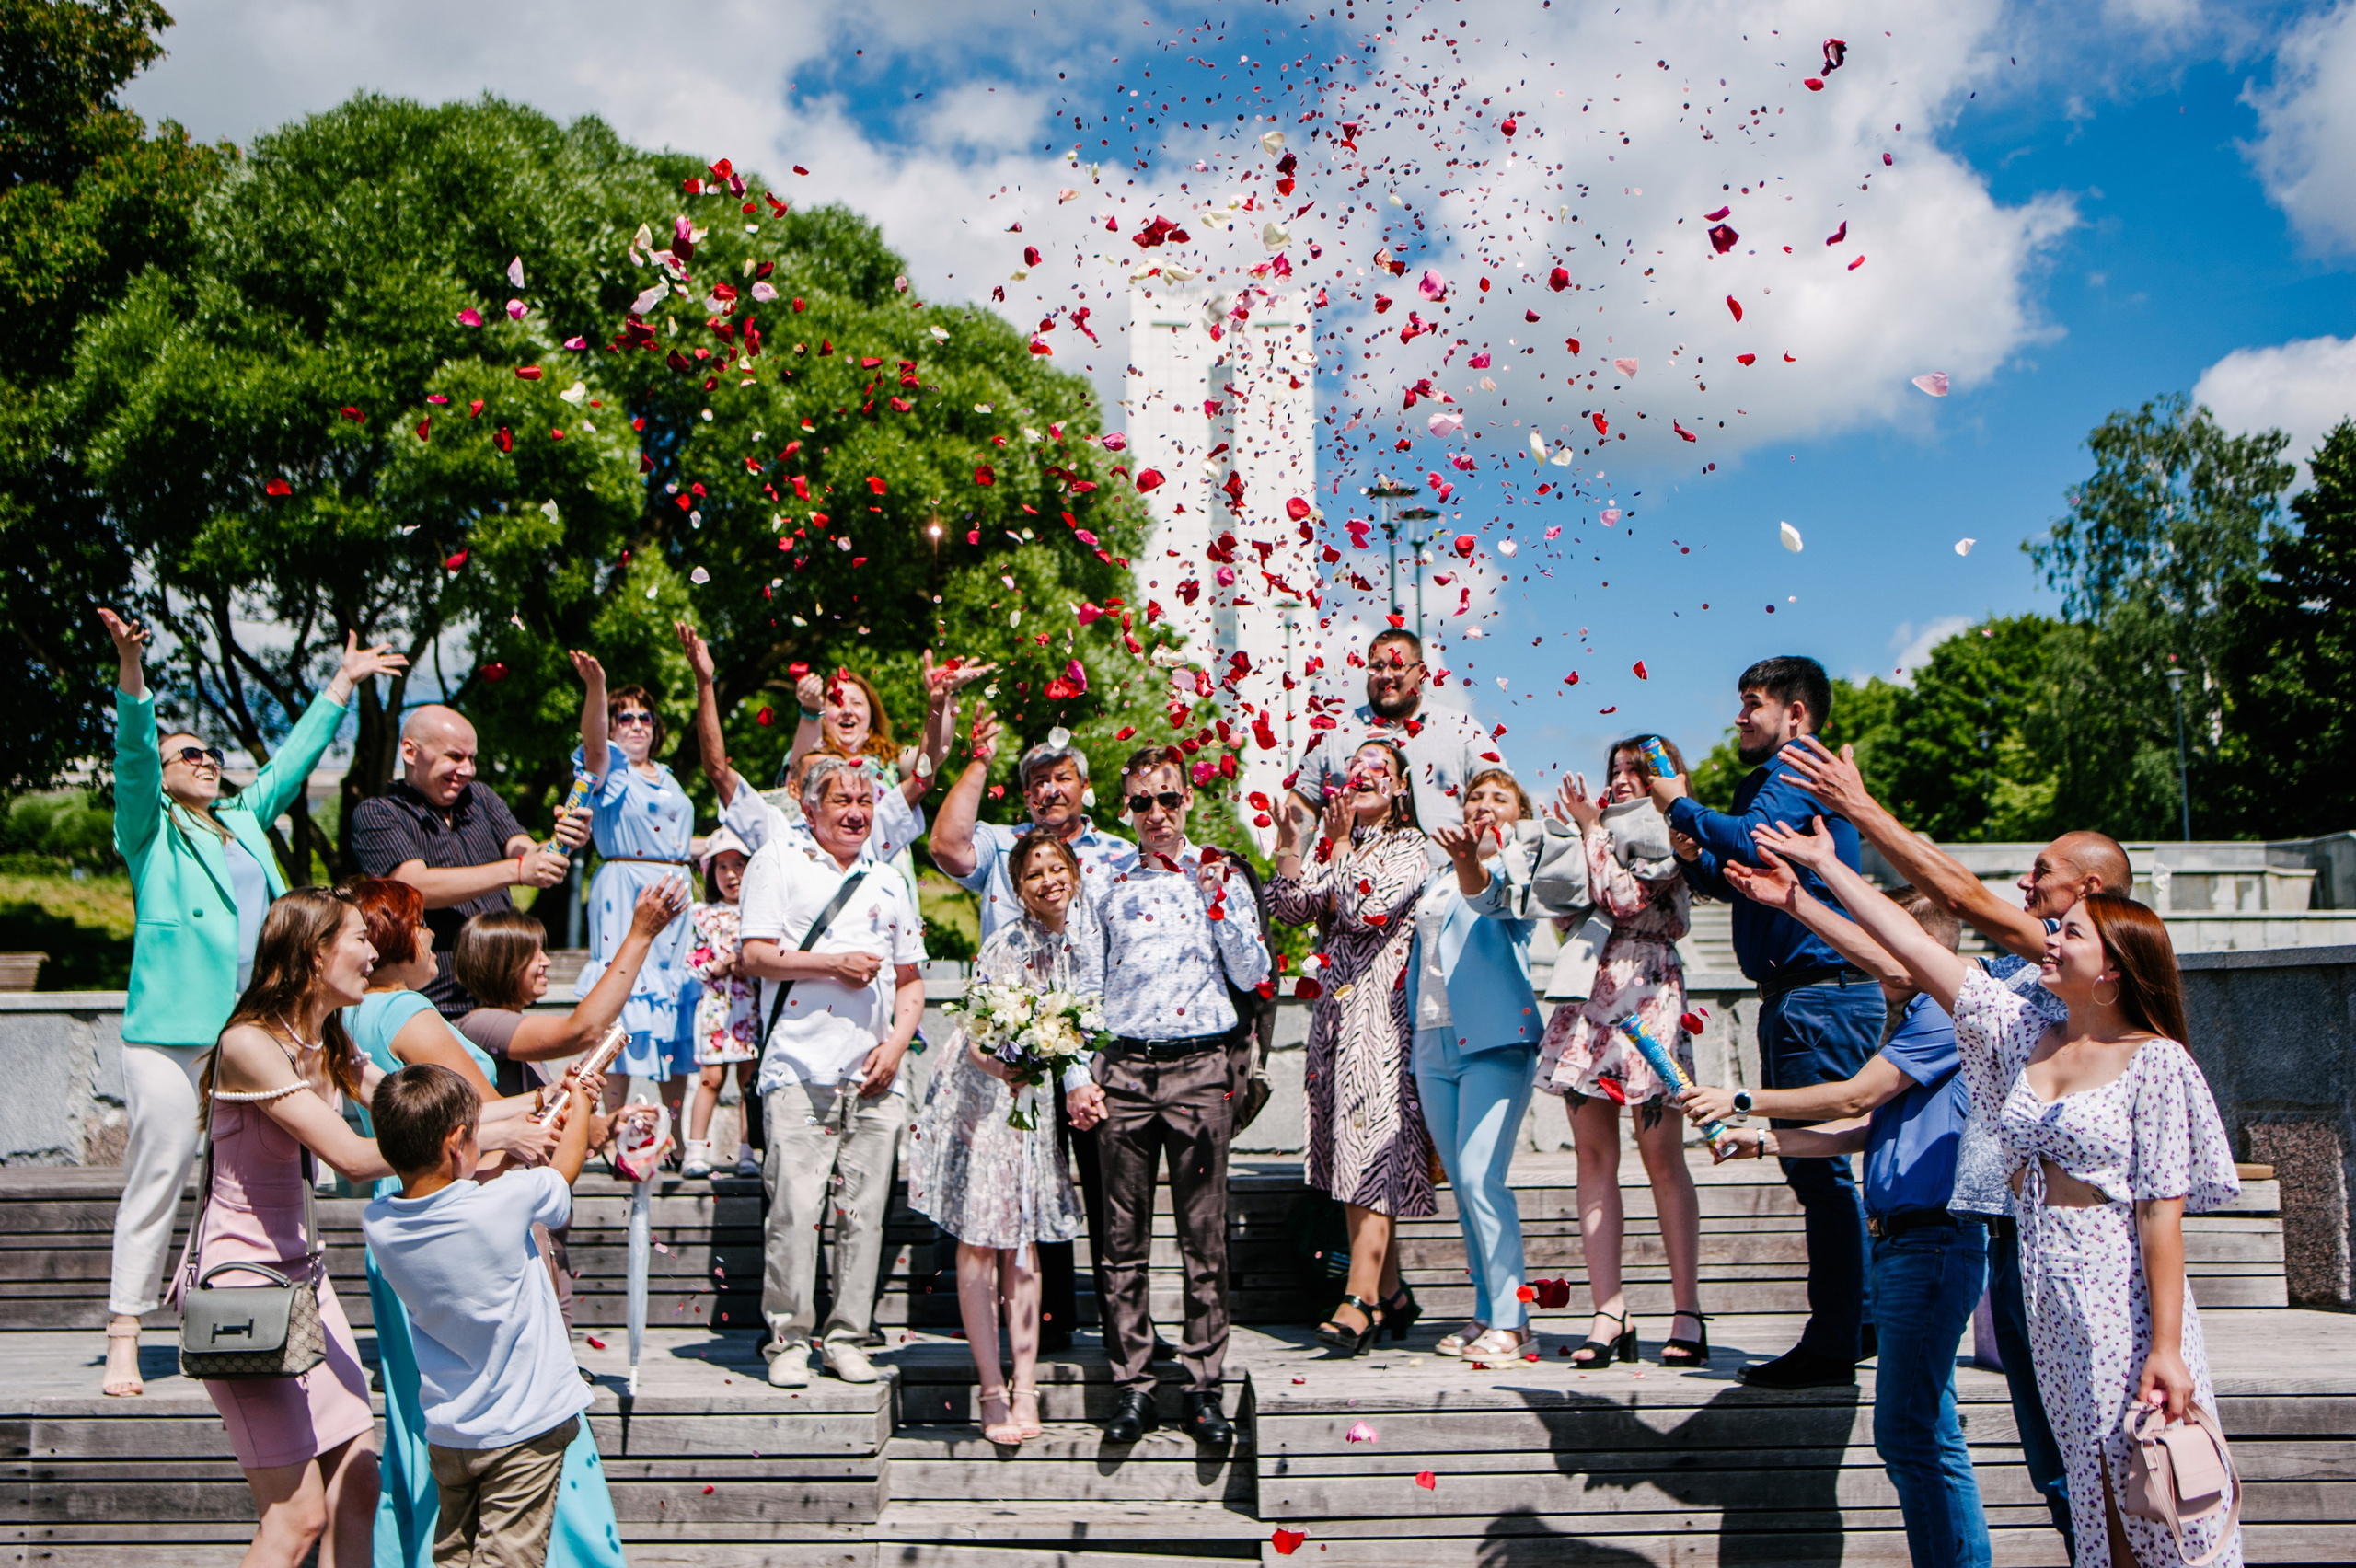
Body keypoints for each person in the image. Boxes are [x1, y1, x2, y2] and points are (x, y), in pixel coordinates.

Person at [1760, 821, 2244, 1568]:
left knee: (2150, 1486)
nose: (2049, 942)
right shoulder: (2023, 1033)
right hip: (2046, 1288)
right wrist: (1828, 869)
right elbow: (1915, 949)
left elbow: (2160, 1216)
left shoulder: (2157, 1063)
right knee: (2091, 1486)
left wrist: (2168, 1349)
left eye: (2070, 935)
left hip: (2119, 1292)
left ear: (2113, 970)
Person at [1774, 737, 2135, 1559]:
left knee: (2080, 1456)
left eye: (2041, 873)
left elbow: (1960, 900)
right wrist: (1808, 893)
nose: (2026, 884)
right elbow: (1907, 957)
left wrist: (1861, 811)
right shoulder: (2023, 982)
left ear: (2089, 891)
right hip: (2013, 1238)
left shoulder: (2094, 971)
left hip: (2068, 1248)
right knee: (2054, 1455)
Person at [95, 605, 404, 1401]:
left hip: (257, 1029)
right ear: (164, 773)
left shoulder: (240, 822)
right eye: (188, 754)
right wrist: (132, 670)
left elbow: (290, 764)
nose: (205, 761)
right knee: (162, 1168)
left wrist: (342, 683)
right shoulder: (150, 830)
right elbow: (133, 755)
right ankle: (125, 1333)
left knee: (277, 1171)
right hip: (171, 1036)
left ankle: (263, 1312)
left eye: (211, 753)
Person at [1684, 877, 1992, 1568]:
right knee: (1922, 1433)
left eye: (1875, 940)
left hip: (1933, 1243)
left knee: (1914, 1438)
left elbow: (1856, 1096)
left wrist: (1742, 1098)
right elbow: (1864, 1127)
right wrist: (1765, 1143)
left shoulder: (1947, 1014)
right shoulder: (1914, 1019)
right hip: (1909, 1245)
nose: (1859, 955)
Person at [341, 878, 624, 1568]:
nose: (431, 937)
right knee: (514, 1405)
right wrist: (581, 1108)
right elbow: (520, 1135)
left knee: (431, 1414)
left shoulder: (342, 1028)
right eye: (420, 925)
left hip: (414, 1224)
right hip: (475, 1222)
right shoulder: (406, 1009)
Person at [1648, 656, 1882, 1388]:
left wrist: (1679, 806)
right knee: (1814, 1167)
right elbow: (1746, 875)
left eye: (1752, 703)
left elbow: (1752, 840)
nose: (1739, 717)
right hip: (1802, 995)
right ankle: (1857, 1321)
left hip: (1819, 994)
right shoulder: (1772, 780)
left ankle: (1836, 1339)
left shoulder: (1799, 768)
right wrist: (1696, 860)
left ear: (1796, 714)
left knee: (1819, 1166)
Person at [183, 888, 395, 1568]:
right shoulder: (248, 1044)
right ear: (315, 953)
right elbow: (355, 1156)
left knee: (357, 1484)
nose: (374, 952)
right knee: (296, 1519)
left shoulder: (327, 1038)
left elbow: (410, 1108)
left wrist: (545, 1106)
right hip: (242, 1291)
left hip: (306, 1280)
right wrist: (473, 1142)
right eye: (360, 937)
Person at [930, 709, 1138, 1346]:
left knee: (1106, 1192)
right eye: (1039, 782)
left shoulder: (1121, 855)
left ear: (1084, 786)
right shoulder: (1005, 845)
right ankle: (1049, 1328)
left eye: (1062, 777)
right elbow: (946, 847)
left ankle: (1123, 1325)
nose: (1051, 789)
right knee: (1033, 1187)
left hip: (1099, 1051)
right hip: (1019, 1058)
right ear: (1026, 795)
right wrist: (979, 761)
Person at [1091, 745, 1269, 1447]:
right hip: (1125, 1071)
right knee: (1121, 1241)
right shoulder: (1108, 883)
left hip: (1198, 1068)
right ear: (1126, 809)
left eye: (1168, 798)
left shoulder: (1218, 872)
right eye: (1143, 801)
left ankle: (1202, 1388)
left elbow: (1252, 972)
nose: (1157, 814)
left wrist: (1220, 900)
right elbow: (1088, 980)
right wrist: (1083, 1073)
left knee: (1204, 1239)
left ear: (1188, 799)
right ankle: (1134, 1385)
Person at [362, 1061, 606, 1568]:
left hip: (451, 1430)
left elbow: (459, 1193)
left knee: (454, 1553)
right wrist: (581, 1105)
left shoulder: (380, 1222)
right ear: (457, 1144)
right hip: (523, 1426)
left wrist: (498, 1155)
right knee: (508, 1559)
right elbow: (561, 1177)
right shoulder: (507, 1201)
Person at [907, 834, 1107, 1447]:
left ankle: (1026, 1384)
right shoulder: (1007, 945)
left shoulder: (1087, 942)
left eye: (1057, 868)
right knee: (980, 1243)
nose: (1049, 880)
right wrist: (1007, 1068)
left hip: (1033, 1103)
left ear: (1074, 873)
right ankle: (990, 1387)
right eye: (1034, 873)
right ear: (1018, 889)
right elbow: (976, 1038)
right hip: (985, 1102)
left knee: (1023, 1245)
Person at [737, 755, 928, 1389]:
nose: (855, 813)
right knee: (795, 1210)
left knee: (864, 1214)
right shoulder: (778, 859)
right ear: (809, 808)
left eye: (865, 801)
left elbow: (911, 978)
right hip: (798, 1065)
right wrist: (832, 964)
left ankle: (848, 1337)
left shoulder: (889, 878)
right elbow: (755, 955)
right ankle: (788, 1340)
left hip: (876, 1073)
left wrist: (895, 1046)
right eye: (842, 801)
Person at [1536, 738, 1707, 1368]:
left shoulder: (1671, 832)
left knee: (1662, 1155)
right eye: (1617, 770)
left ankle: (1687, 1308)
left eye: (1639, 769)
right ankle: (1609, 1309)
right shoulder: (1598, 831)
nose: (1625, 779)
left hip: (1648, 993)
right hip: (1589, 993)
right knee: (1592, 1157)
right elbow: (1564, 913)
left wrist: (1591, 830)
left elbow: (1625, 898)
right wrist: (1573, 838)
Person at [1268, 738, 1435, 1355]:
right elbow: (1289, 906)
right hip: (1335, 1017)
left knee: (1368, 1149)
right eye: (1354, 765)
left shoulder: (1411, 847)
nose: (1362, 773)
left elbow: (1366, 908)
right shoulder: (1336, 843)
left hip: (1381, 1015)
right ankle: (1392, 1293)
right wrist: (1291, 841)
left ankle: (1360, 1298)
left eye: (1377, 766)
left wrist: (1337, 849)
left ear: (1399, 786)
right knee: (1346, 1151)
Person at [1415, 768, 1546, 1361]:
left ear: (1519, 814)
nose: (1484, 804)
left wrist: (1473, 860)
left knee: (1478, 1178)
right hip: (1432, 1042)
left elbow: (1494, 901)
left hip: (1494, 1041)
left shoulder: (1520, 866)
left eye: (1500, 797)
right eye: (1475, 796)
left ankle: (1515, 1321)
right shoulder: (1441, 873)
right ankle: (1487, 1311)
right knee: (1463, 1187)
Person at [350, 704, 589, 1019]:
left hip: (505, 989)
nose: (468, 770)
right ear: (410, 752)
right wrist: (519, 870)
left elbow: (526, 851)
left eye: (472, 759)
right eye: (454, 757)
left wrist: (562, 842)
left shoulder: (480, 797)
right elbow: (413, 885)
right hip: (439, 1000)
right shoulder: (377, 813)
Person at [677, 622, 940, 875]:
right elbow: (718, 771)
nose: (854, 810)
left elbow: (923, 779)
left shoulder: (870, 839)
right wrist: (705, 683)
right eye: (839, 796)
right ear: (800, 795)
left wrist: (939, 704)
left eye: (862, 800)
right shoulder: (780, 836)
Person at [568, 652, 697, 1119]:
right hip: (626, 889)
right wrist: (597, 688)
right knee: (622, 999)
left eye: (645, 717)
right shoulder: (611, 770)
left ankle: (677, 1137)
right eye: (625, 717)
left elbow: (674, 841)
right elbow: (594, 745)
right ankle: (605, 1126)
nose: (637, 725)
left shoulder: (668, 777)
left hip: (676, 892)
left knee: (675, 1008)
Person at [1289, 626, 1502, 835]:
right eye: (1376, 667)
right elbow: (1303, 807)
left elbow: (1504, 794)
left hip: (1447, 858)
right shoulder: (1334, 735)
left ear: (1421, 672)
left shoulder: (1461, 729)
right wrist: (1288, 850)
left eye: (1396, 665)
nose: (1385, 675)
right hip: (1353, 857)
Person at [681, 827, 761, 1180]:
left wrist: (744, 965)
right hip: (716, 1008)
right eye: (722, 867)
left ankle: (748, 1152)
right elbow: (693, 959)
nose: (731, 874)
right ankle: (696, 1151)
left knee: (748, 1079)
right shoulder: (702, 914)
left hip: (750, 1007)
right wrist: (720, 964)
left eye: (738, 865)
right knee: (711, 1078)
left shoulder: (760, 912)